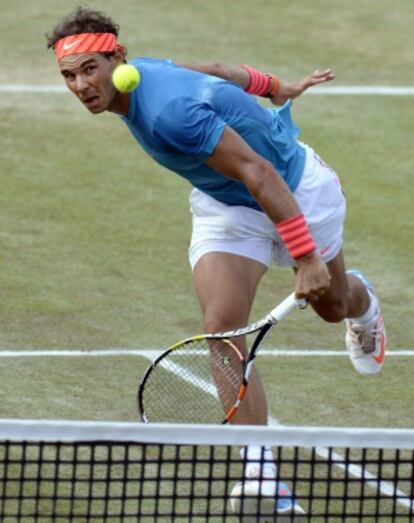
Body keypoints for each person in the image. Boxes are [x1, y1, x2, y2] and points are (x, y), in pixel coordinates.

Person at [46, 6, 387, 517]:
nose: (80, 86)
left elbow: (261, 173)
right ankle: (262, 474)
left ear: (117, 58)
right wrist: (275, 86)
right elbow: (220, 71)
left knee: (333, 306)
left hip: (294, 191)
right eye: (69, 75)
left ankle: (362, 302)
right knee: (221, 327)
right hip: (228, 203)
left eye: (89, 69)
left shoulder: (168, 114)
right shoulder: (146, 70)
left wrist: (306, 257)